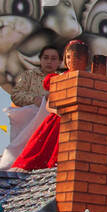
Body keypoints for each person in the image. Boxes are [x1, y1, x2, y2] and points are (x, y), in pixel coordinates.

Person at [12, 40, 90, 171]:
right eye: (68, 57)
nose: (72, 61)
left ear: (85, 59)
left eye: (76, 57)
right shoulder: (59, 78)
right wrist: (59, 112)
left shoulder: (90, 80)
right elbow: (49, 105)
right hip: (58, 121)